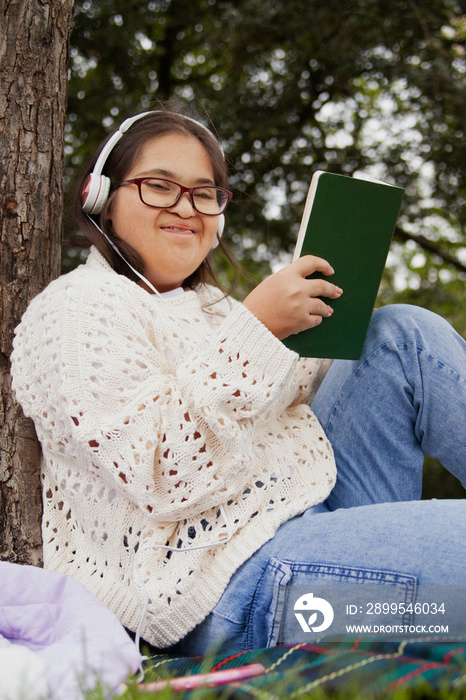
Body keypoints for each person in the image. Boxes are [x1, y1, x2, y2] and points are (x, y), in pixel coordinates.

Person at [10, 106, 466, 657]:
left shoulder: (210, 307)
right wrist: (258, 329)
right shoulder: (74, 312)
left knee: (401, 334)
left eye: (204, 193)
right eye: (159, 186)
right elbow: (160, 477)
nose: (186, 206)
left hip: (309, 512)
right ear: (100, 199)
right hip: (225, 586)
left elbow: (281, 405)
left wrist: (317, 329)